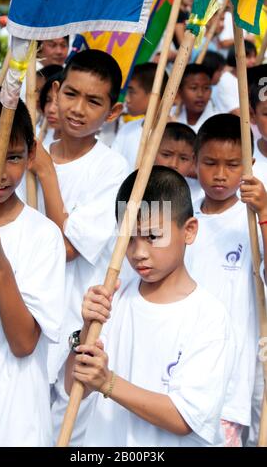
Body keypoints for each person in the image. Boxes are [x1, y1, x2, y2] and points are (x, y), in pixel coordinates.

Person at [64, 166, 234, 447]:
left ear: (189, 230)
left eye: (153, 237)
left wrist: (108, 382)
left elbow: (186, 418)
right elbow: (75, 388)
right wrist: (84, 331)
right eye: (129, 238)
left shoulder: (209, 318)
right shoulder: (113, 300)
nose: (139, 252)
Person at [22, 49, 129, 439]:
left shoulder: (112, 169)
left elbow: (66, 249)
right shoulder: (26, 157)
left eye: (94, 101)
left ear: (113, 112)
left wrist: (47, 173)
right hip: (25, 316)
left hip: (76, 321)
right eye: (70, 94)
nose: (78, 109)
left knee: (64, 429)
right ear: (54, 91)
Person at [0, 87, 66, 446]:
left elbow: (24, 342)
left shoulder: (43, 237)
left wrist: (0, 268)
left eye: (12, 157)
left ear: (31, 156)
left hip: (11, 422)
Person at [184, 113, 267, 447]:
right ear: (194, 161)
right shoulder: (182, 213)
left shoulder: (251, 218)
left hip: (231, 373)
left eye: (233, 165)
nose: (220, 175)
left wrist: (264, 214)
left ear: (248, 164)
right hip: (182, 362)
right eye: (210, 162)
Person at [112, 62, 168, 170]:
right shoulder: (127, 129)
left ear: (154, 95)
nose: (127, 99)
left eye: (132, 92)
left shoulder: (173, 134)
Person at [154, 122, 203, 202]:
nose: (173, 164)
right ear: (152, 153)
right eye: (166, 155)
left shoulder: (199, 195)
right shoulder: (135, 186)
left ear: (193, 161)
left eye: (183, 158)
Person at [172, 64, 217, 133]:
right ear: (180, 91)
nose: (200, 94)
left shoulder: (218, 122)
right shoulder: (169, 116)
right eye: (194, 88)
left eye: (206, 88)